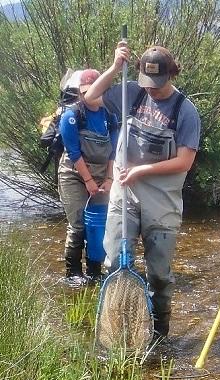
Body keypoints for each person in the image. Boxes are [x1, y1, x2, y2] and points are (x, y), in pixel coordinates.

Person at [84, 43, 201, 340]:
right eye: (147, 84)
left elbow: (185, 161)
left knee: (159, 275)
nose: (151, 90)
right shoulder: (132, 92)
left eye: (157, 85)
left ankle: (159, 334)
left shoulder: (185, 111)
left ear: (170, 75)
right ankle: (118, 330)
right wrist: (113, 67)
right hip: (125, 193)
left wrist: (141, 170)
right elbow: (91, 95)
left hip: (161, 200)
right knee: (113, 262)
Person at [58, 69, 118, 287]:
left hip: (103, 175)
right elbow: (73, 153)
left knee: (99, 224)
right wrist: (88, 181)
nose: (89, 95)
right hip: (74, 174)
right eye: (85, 91)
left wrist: (109, 178)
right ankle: (73, 272)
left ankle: (94, 271)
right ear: (80, 92)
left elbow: (113, 151)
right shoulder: (71, 116)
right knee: (78, 225)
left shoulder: (110, 116)